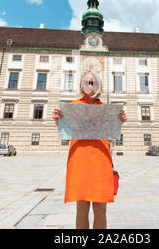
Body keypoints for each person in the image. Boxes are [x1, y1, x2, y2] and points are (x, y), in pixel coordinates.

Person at [52, 70, 127, 229]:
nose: (90, 85)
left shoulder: (106, 108)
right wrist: (58, 121)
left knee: (100, 210)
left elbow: (112, 133)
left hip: (100, 161)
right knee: (81, 209)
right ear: (82, 85)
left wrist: (120, 122)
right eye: (87, 82)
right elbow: (66, 136)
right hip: (80, 161)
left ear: (98, 85)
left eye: (93, 82)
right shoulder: (73, 107)